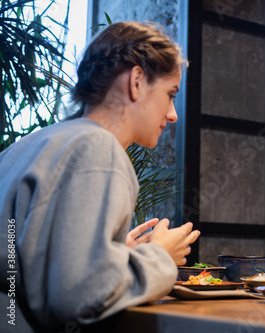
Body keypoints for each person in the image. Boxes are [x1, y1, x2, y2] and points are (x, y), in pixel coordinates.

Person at [0, 21, 200, 332]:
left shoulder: (28, 145)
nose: (172, 114)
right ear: (136, 82)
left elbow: (26, 261)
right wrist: (159, 256)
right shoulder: (99, 147)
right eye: (170, 94)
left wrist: (113, 257)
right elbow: (78, 298)